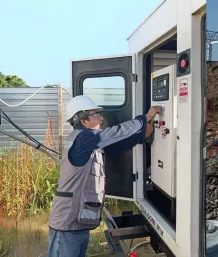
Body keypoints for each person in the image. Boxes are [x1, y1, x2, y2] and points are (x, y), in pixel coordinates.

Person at [47, 95, 162, 257]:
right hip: (67, 223)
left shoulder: (91, 143)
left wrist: (141, 135)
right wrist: (146, 118)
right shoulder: (83, 138)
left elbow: (117, 145)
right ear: (83, 120)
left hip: (77, 222)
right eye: (96, 114)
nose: (101, 118)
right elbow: (117, 132)